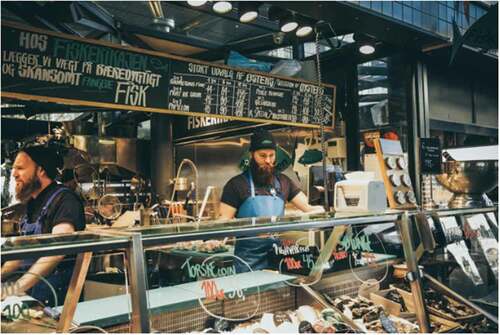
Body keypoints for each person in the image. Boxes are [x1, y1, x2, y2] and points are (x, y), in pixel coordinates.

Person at [219, 129, 324, 272]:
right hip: (247, 262)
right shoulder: (236, 185)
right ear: (252, 155)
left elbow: (307, 207)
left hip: (277, 258)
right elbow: (223, 221)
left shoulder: (284, 182)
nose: (268, 161)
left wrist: (327, 211)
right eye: (262, 156)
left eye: (271, 155)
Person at [1, 145, 85, 307]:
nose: (14, 173)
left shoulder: (65, 200)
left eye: (20, 168)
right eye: (13, 168)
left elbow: (57, 251)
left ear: (40, 170)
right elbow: (23, 252)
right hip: (34, 289)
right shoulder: (32, 202)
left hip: (57, 296)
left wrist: (15, 288)